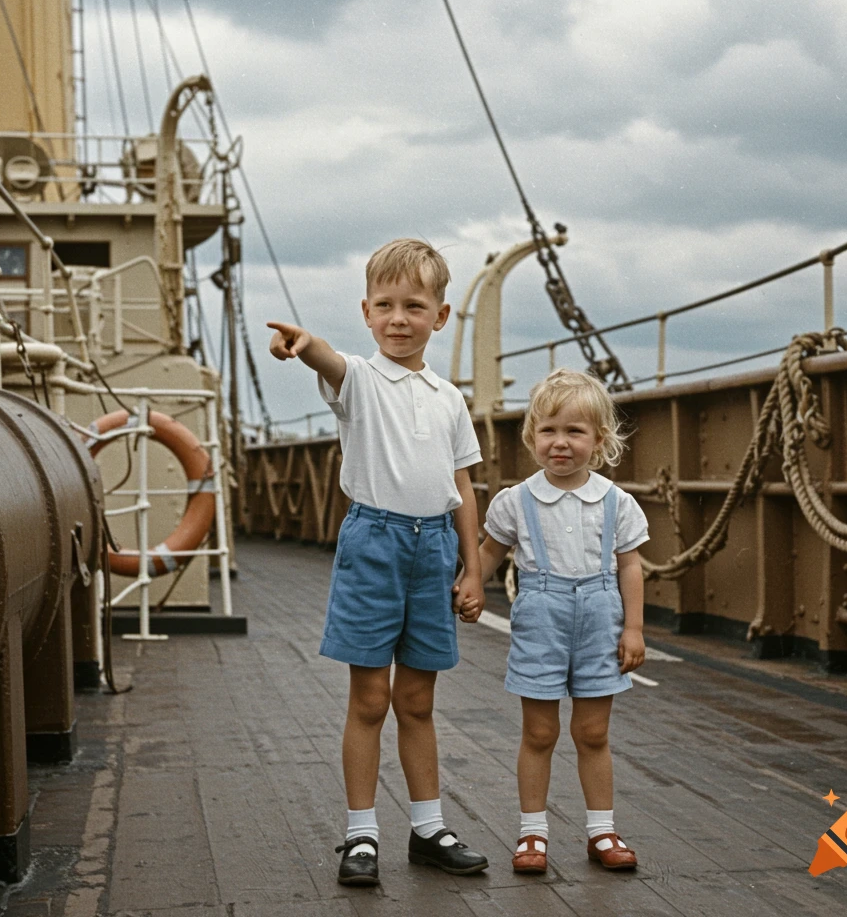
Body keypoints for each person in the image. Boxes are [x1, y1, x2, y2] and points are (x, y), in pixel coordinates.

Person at [267, 238, 489, 887]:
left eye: (414, 306)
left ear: (440, 316)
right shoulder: (358, 381)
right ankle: (361, 834)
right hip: (374, 544)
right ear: (366, 312)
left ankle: (428, 827)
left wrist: (472, 569)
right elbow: (329, 361)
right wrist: (304, 344)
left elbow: (465, 486)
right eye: (385, 305)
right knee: (369, 698)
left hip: (434, 548)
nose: (399, 318)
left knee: (417, 700)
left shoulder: (449, 399)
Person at [460, 367, 648, 873]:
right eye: (548, 431)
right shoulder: (515, 502)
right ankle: (533, 834)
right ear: (531, 436)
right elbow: (491, 550)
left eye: (574, 432)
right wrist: (473, 582)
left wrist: (633, 627)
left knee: (593, 733)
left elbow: (630, 566)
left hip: (601, 619)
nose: (559, 443)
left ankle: (602, 831)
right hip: (541, 618)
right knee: (539, 733)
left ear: (599, 440)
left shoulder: (616, 502)